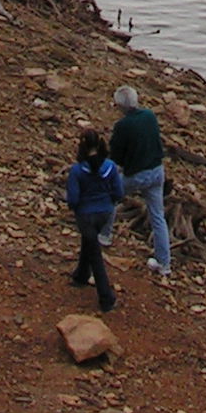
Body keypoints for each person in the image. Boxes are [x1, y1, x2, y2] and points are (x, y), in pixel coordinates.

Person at [109, 85, 170, 277]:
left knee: (110, 196)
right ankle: (164, 264)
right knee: (158, 217)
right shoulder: (150, 116)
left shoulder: (122, 126)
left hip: (137, 175)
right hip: (157, 171)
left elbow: (116, 158)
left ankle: (104, 235)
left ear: (120, 106)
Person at [63, 127, 123, 312]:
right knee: (89, 242)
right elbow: (119, 192)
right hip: (105, 213)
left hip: (86, 215)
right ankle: (81, 275)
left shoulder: (77, 170)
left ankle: (106, 298)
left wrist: (76, 208)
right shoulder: (110, 167)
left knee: (95, 254)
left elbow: (73, 198)